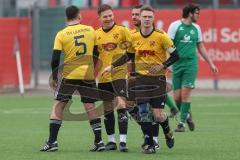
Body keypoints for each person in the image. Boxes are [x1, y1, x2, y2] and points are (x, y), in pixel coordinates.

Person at [102, 5, 179, 154]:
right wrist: (111, 66)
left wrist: (163, 65)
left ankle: (168, 131)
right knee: (143, 112)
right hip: (141, 80)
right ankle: (149, 144)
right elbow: (127, 56)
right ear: (140, 18)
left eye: (150, 17)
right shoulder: (134, 37)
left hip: (158, 81)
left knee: (158, 115)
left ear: (153, 18)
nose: (147, 19)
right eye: (144, 17)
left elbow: (176, 55)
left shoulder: (161, 36)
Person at [40, 5, 105, 152]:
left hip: (69, 75)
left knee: (58, 106)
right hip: (87, 75)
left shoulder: (61, 34)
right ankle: (99, 141)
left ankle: (52, 142)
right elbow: (96, 53)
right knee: (90, 107)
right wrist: (92, 68)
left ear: (66, 18)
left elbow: (55, 59)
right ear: (79, 16)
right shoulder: (90, 30)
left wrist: (55, 77)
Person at [167, 3, 218, 132]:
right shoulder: (175, 26)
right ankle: (188, 114)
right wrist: (168, 63)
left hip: (191, 65)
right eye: (197, 13)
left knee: (185, 95)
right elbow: (168, 46)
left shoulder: (196, 28)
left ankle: (182, 124)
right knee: (177, 97)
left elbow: (201, 47)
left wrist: (211, 63)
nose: (198, 15)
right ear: (190, 13)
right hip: (177, 65)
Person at [94, 4, 131, 152]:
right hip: (103, 77)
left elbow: (130, 53)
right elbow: (95, 57)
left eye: (110, 15)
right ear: (100, 18)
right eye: (105, 16)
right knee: (108, 108)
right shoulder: (96, 34)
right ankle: (111, 141)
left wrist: (114, 66)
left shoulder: (122, 31)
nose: (109, 18)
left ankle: (123, 141)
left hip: (119, 73)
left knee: (121, 104)